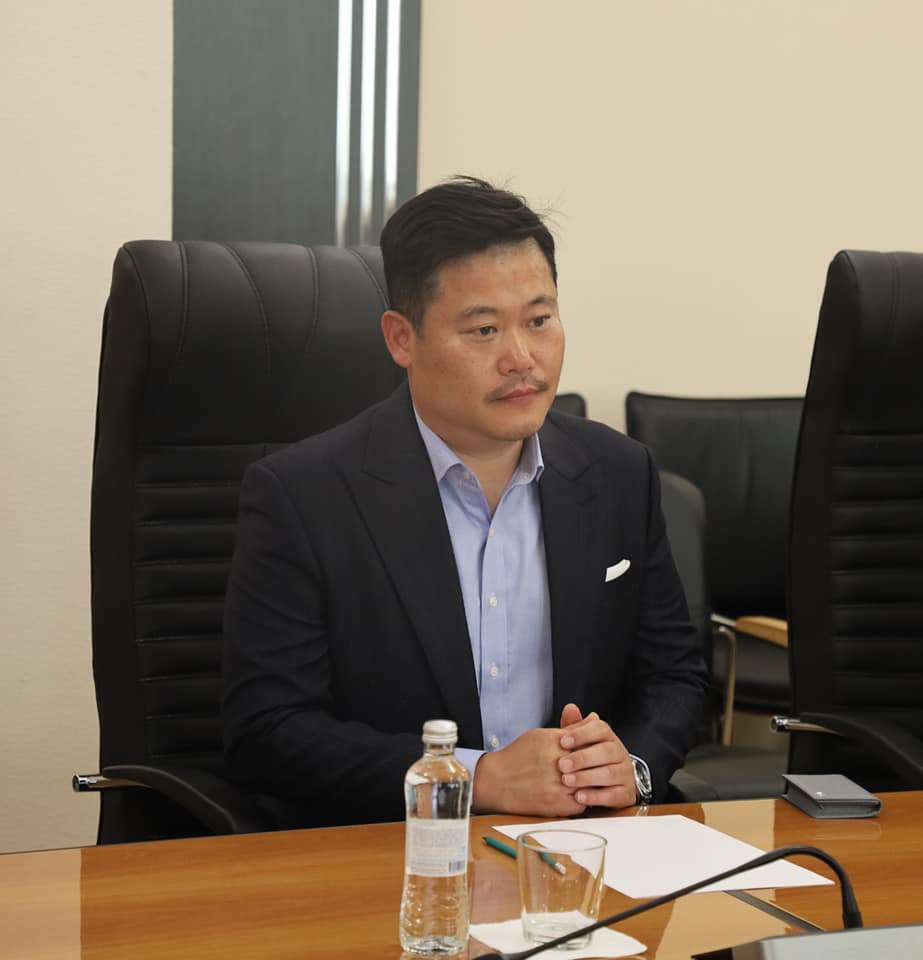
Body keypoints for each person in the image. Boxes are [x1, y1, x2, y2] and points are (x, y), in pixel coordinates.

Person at [222, 176, 707, 826]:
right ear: (402, 338)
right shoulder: (303, 495)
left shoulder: (618, 472)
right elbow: (267, 733)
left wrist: (631, 767)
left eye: (539, 321)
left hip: (577, 848)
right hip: (387, 850)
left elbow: (673, 676)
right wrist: (476, 777)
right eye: (483, 330)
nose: (521, 358)